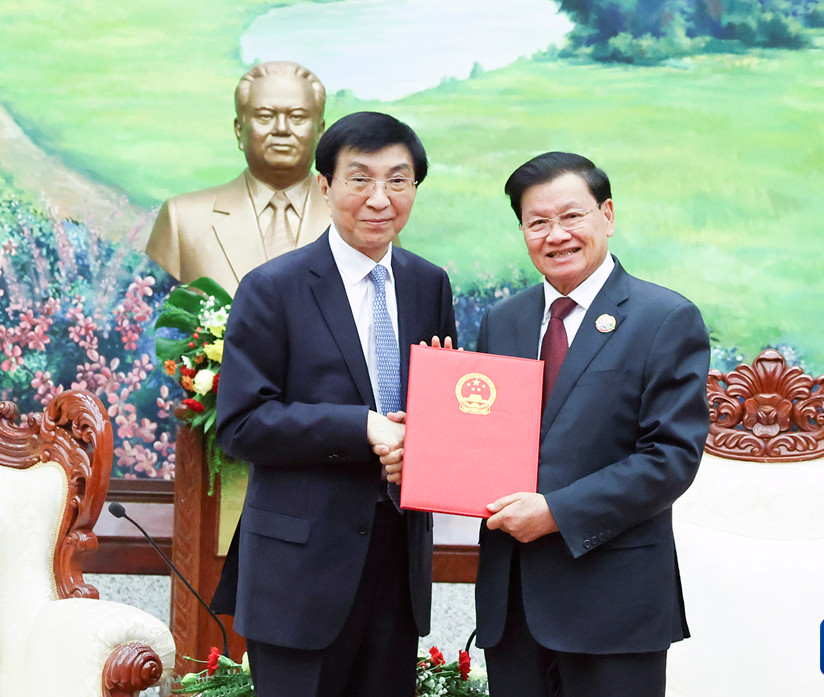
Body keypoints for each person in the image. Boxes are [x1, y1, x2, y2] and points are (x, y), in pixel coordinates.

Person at [213, 111, 456, 697]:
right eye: (360, 179)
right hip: (298, 571)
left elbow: (438, 411)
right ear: (324, 186)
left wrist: (425, 444)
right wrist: (362, 427)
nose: (380, 198)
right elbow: (242, 424)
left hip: (398, 564)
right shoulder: (273, 287)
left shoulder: (429, 284)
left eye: (398, 180)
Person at [474, 152, 710, 697]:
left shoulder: (664, 318)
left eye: (571, 216)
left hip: (613, 606)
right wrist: (432, 436)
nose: (556, 235)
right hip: (513, 606)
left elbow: (670, 457)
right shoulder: (502, 320)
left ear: (607, 215)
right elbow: (489, 436)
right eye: (537, 222)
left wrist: (557, 513)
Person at [145, 61, 331, 295]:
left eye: (297, 117)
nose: (282, 129)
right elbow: (148, 312)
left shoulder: (358, 219)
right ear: (239, 129)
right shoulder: (182, 219)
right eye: (265, 116)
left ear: (320, 131)